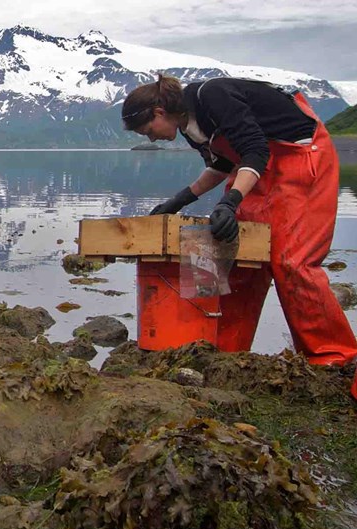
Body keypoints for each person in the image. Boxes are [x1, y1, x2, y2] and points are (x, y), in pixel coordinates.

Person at [121, 74, 357, 400]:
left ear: (159, 112)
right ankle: (224, 351)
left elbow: (256, 150)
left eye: (147, 131)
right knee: (233, 256)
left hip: (301, 158)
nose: (151, 139)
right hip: (258, 169)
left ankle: (336, 358)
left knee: (292, 262)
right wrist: (180, 200)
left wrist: (230, 202)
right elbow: (222, 165)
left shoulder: (212, 97)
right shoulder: (189, 125)